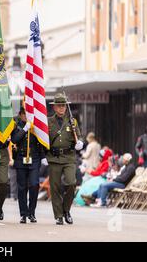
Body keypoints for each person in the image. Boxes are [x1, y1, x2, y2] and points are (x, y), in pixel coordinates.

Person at [46, 93, 84, 225]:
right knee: (55, 187)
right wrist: (43, 155)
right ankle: (58, 215)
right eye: (59, 105)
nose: (62, 108)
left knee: (71, 183)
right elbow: (43, 140)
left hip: (69, 157)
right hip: (54, 157)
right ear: (55, 107)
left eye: (63, 105)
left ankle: (66, 209)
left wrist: (80, 143)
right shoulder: (48, 121)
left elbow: (78, 137)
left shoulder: (72, 121)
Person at [10, 107, 47, 223]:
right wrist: (25, 129)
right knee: (22, 187)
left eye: (29, 114)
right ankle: (23, 214)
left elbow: (40, 142)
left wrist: (43, 157)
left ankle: (32, 212)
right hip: (21, 158)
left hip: (34, 158)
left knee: (34, 184)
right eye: (25, 114)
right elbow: (15, 139)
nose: (27, 117)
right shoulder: (16, 125)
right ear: (21, 115)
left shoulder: (36, 126)